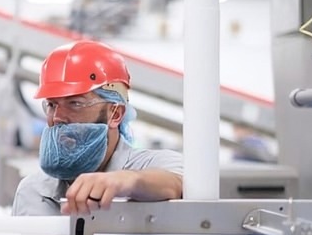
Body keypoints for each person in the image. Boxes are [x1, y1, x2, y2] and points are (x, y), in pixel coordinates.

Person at [12, 40, 183, 216]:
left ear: (115, 114)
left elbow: (181, 181)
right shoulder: (31, 193)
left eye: (75, 103)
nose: (57, 118)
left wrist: (127, 181)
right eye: (51, 105)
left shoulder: (148, 166)